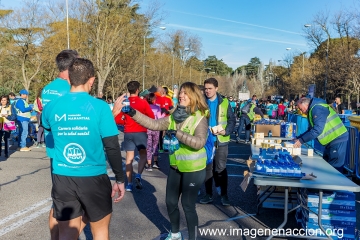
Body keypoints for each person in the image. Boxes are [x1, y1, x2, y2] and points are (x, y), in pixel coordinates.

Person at [113, 82, 208, 240]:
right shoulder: (174, 116)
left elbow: (199, 142)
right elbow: (153, 123)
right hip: (175, 165)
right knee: (170, 202)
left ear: (194, 97)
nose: (181, 95)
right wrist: (132, 112)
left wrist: (177, 133)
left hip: (194, 168)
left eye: (186, 93)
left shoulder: (200, 118)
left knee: (187, 205)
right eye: (181, 93)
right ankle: (175, 234)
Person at [42, 58, 125, 240]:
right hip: (93, 176)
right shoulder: (100, 107)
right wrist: (120, 178)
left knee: (66, 233)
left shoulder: (51, 107)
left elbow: (47, 128)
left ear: (69, 79)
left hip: (63, 176)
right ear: (92, 80)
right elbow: (112, 146)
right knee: (100, 232)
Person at [41, 49, 79, 240]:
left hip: (53, 150)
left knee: (57, 202)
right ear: (72, 66)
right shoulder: (69, 89)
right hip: (69, 153)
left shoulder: (47, 88)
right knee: (73, 205)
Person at [200, 78, 236, 206]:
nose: (207, 91)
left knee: (220, 169)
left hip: (221, 141)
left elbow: (232, 120)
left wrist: (225, 131)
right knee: (207, 169)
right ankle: (208, 194)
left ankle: (224, 195)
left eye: (210, 88)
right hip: (205, 141)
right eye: (205, 88)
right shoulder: (201, 101)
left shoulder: (225, 102)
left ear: (216, 88)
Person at [114, 81, 154, 192]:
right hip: (141, 132)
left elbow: (117, 119)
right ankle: (139, 175)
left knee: (129, 159)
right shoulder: (143, 102)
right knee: (143, 155)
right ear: (138, 90)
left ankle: (129, 184)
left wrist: (125, 122)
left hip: (128, 132)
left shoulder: (125, 103)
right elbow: (151, 116)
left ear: (128, 90)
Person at [294, 97, 348, 171]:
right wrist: (299, 138)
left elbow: (317, 130)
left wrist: (301, 140)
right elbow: (311, 130)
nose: (301, 112)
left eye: (301, 109)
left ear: (306, 104)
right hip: (331, 141)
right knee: (327, 166)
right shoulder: (313, 109)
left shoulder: (317, 109)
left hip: (337, 139)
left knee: (334, 169)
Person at [145, 93, 164, 171]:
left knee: (148, 146)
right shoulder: (157, 108)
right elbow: (159, 118)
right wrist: (164, 114)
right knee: (155, 146)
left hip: (148, 128)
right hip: (156, 128)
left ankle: (149, 165)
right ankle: (155, 163)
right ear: (153, 99)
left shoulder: (145, 108)